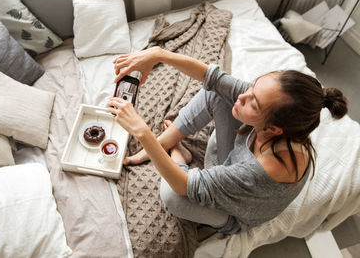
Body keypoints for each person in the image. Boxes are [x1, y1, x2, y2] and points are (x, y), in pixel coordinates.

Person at [107, 46, 348, 234]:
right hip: (231, 161)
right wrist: (157, 55)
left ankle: (179, 154)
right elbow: (212, 77)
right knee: (217, 92)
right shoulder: (284, 124)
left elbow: (182, 186)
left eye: (253, 103)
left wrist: (143, 132)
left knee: (172, 197)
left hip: (234, 212)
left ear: (273, 129)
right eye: (252, 88)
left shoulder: (263, 170)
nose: (243, 96)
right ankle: (164, 144)